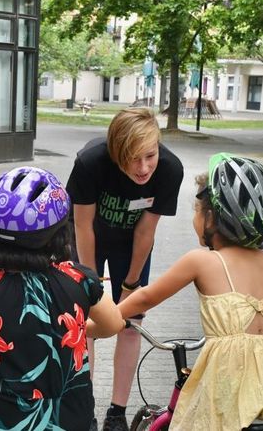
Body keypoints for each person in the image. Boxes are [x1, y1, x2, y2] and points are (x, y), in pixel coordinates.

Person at [0, 167, 127, 430]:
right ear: (60, 235)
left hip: (5, 422)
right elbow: (113, 324)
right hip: (74, 420)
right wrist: (75, 330)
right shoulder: (81, 280)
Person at [116, 153, 263, 430]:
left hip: (227, 388)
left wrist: (98, 322)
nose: (194, 218)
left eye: (196, 210)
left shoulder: (202, 260)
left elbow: (145, 297)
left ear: (211, 217)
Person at [65, 107, 183, 431]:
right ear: (117, 151)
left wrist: (130, 285)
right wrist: (92, 286)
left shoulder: (170, 169)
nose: (144, 167)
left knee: (130, 322)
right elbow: (82, 225)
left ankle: (116, 412)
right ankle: (83, 407)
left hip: (131, 244)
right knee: (85, 320)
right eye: (133, 158)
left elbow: (146, 232)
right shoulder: (90, 162)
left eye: (150, 155)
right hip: (87, 237)